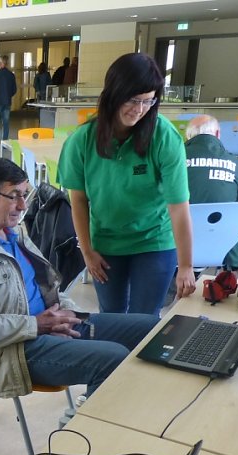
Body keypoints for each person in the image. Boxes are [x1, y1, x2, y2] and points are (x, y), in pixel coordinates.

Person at [0, 158, 159, 402]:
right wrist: (35, 324)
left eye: (25, 194)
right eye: (14, 196)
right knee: (113, 358)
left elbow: (47, 287)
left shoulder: (14, 232)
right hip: (11, 352)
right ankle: (93, 435)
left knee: (151, 328)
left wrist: (69, 314)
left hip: (46, 327)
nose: (23, 205)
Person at [57, 52, 195, 315]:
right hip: (106, 243)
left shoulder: (164, 137)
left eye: (148, 101)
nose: (139, 109)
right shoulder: (82, 140)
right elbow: (78, 200)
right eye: (133, 100)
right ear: (113, 93)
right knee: (112, 317)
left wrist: (186, 265)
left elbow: (179, 206)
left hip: (153, 240)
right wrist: (87, 251)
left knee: (144, 320)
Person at [185, 114, 238, 203]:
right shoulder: (234, 161)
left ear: (187, 135)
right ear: (217, 133)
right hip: (225, 216)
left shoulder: (175, 158)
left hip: (184, 216)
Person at [0, 54, 17, 142]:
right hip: (7, 102)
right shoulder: (11, 75)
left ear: (1, 63)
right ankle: (5, 140)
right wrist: (8, 96)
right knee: (6, 122)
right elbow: (14, 89)